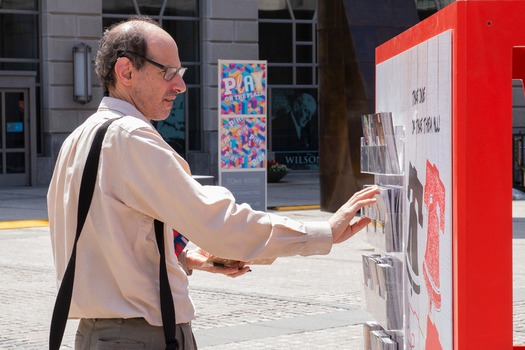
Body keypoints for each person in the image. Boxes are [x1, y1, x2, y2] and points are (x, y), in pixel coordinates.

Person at [47, 15, 379, 350]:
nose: (180, 86)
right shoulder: (130, 138)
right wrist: (322, 234)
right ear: (126, 72)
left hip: (99, 336)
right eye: (168, 73)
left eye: (181, 73)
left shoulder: (79, 138)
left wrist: (189, 258)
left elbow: (113, 237)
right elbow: (219, 222)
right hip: (141, 337)